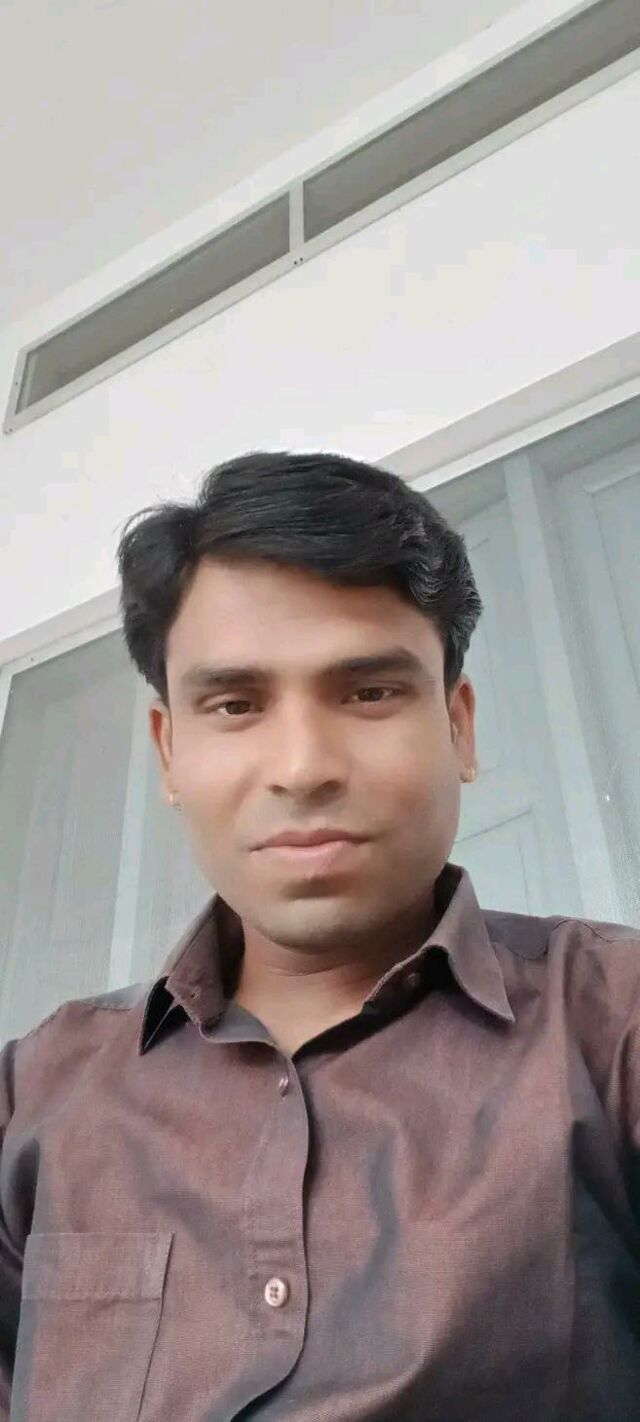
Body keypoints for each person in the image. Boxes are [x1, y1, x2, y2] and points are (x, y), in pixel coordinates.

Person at [0, 450, 638, 1422]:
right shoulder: (30, 1097)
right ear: (170, 752)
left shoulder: (613, 1025)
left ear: (458, 727)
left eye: (369, 692)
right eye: (235, 705)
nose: (301, 767)